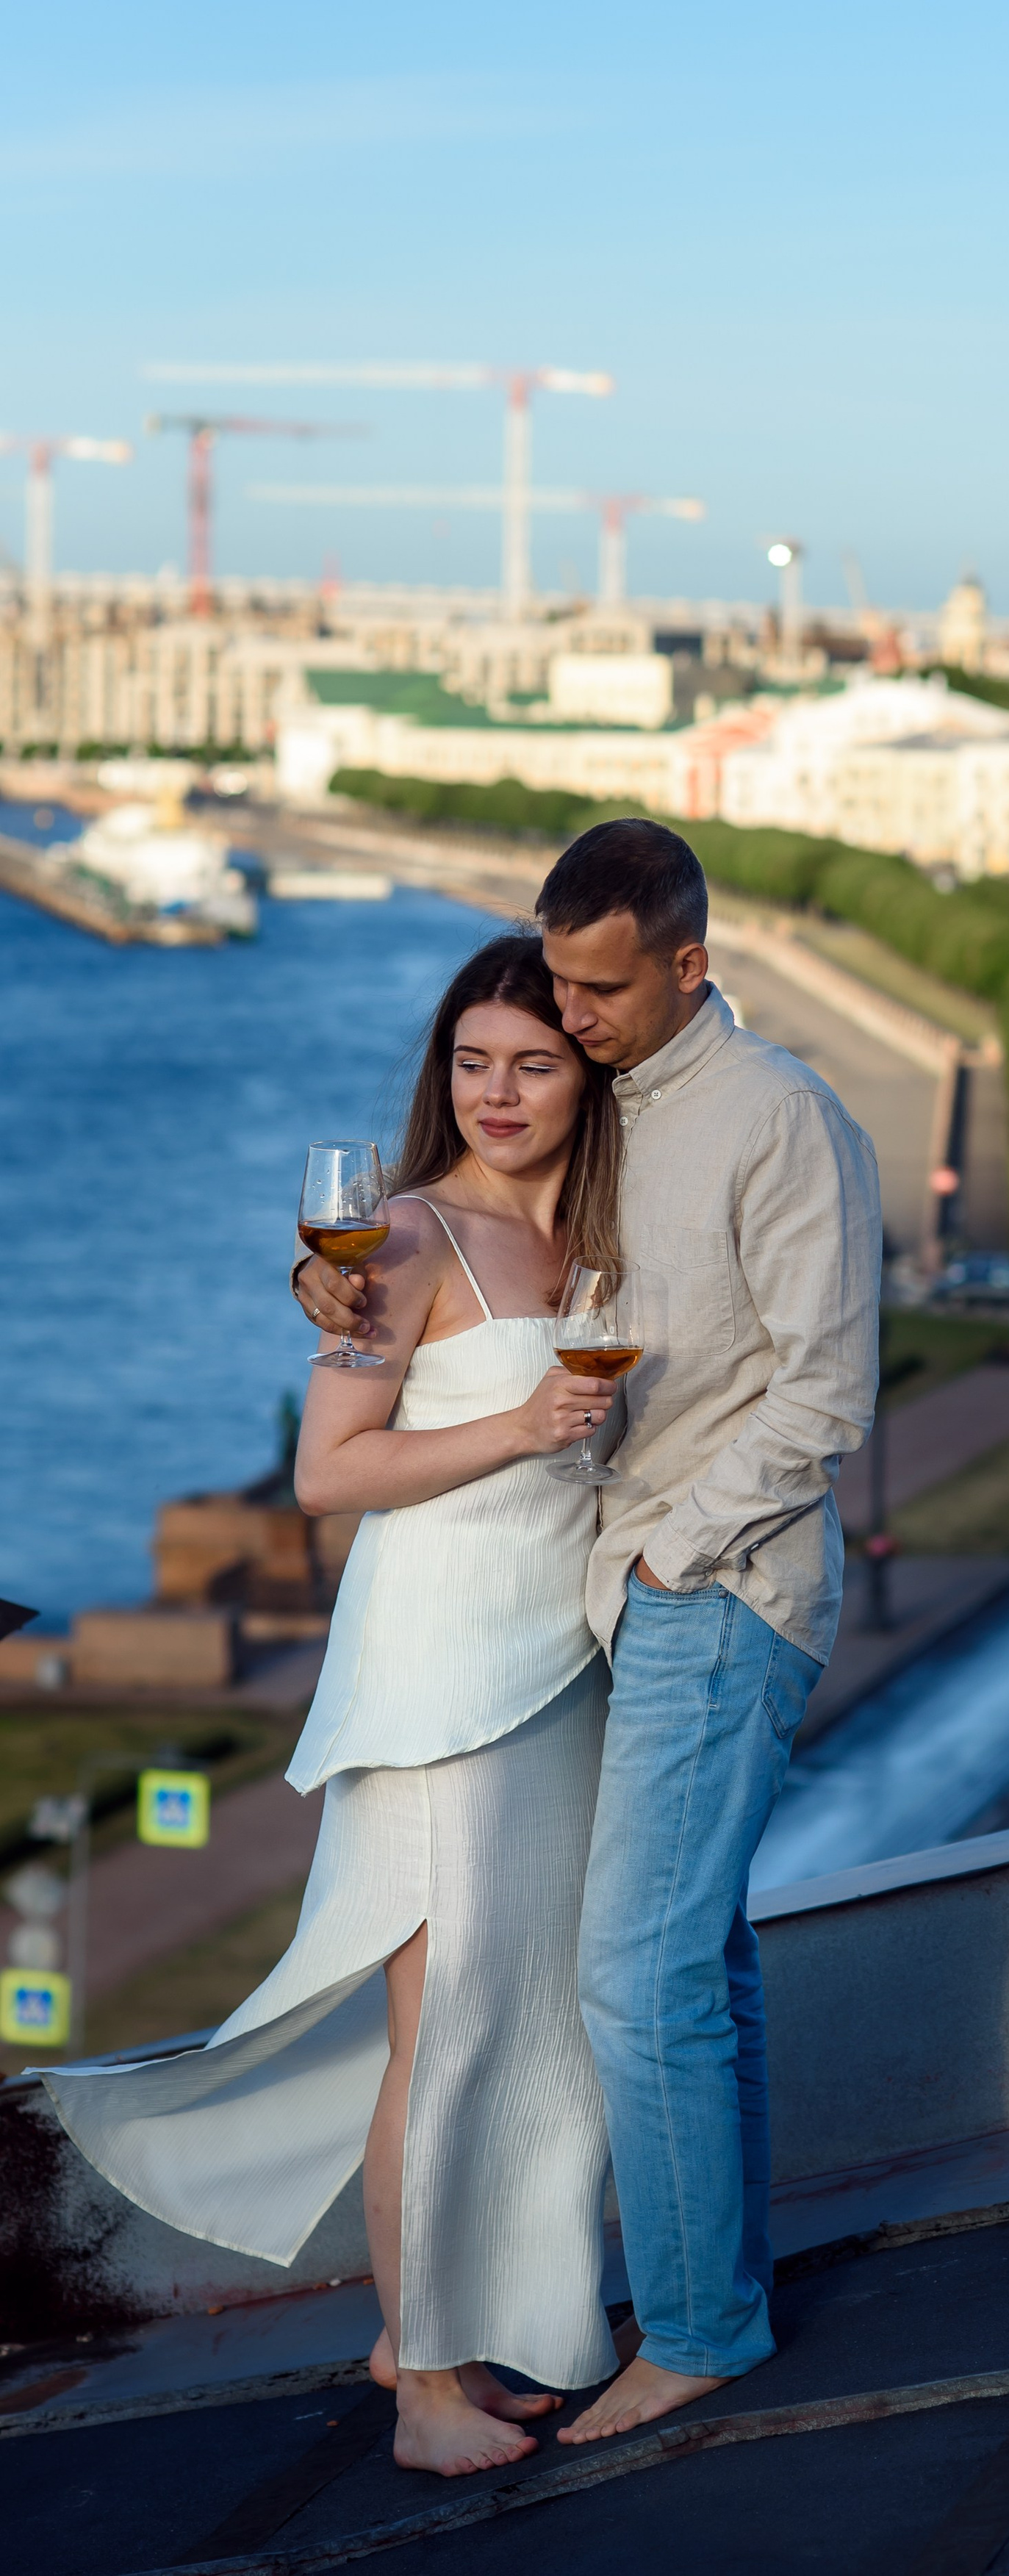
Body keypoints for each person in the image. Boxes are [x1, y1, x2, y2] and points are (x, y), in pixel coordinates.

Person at [297, 819, 882, 2444]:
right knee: (674, 1971)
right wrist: (340, 1285)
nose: (568, 1022)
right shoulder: (618, 1112)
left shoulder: (772, 1114)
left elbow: (827, 1393)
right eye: (552, 992)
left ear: (690, 966)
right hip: (543, 1630)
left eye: (592, 998)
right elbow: (421, 1265)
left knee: (630, 1975)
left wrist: (669, 1561)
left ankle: (692, 2328)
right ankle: (672, 2308)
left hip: (705, 1584)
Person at [49, 933, 624, 2478]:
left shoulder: (600, 1245)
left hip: (557, 1668)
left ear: (590, 1074)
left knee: (528, 2027)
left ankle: (440, 2334)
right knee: (443, 2038)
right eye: (471, 1061)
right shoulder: (409, 1237)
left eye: (535, 1063)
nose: (497, 1093)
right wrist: (519, 1425)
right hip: (439, 1679)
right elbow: (325, 1473)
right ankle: (422, 2388)